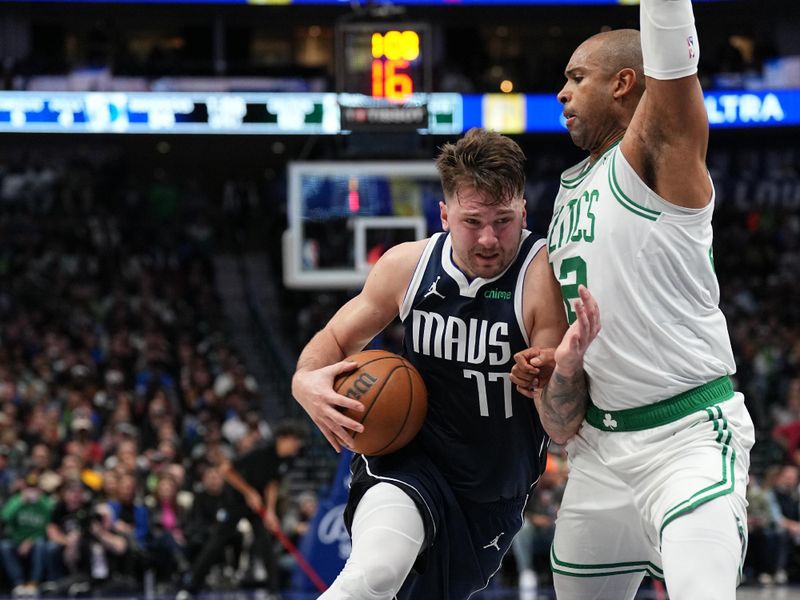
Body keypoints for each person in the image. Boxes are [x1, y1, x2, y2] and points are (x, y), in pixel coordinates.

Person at [292, 127, 601, 599]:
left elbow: (559, 428)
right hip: (410, 458)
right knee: (373, 575)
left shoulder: (542, 279)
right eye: (472, 221)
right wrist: (304, 382)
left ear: (523, 211)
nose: (489, 239)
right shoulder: (407, 265)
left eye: (503, 220)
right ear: (444, 214)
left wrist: (552, 377)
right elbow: (335, 338)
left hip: (490, 495)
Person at [511, 2, 755, 598]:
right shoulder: (567, 196)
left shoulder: (655, 152)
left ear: (624, 84)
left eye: (576, 78)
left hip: (687, 437)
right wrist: (559, 368)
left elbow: (671, 58)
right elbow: (570, 401)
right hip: (599, 452)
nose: (561, 92)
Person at [178, 421, 305, 599]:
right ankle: (190, 588)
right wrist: (249, 492)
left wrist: (270, 511)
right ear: (282, 439)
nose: (297, 445)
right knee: (216, 543)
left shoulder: (286, 459)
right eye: (294, 441)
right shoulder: (259, 452)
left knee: (265, 544)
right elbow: (226, 470)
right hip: (236, 500)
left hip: (257, 504)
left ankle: (273, 592)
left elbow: (272, 482)